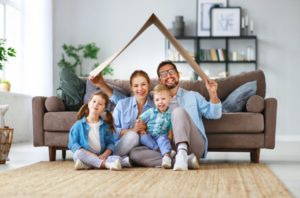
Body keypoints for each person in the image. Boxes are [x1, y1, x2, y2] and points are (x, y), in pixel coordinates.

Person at [129, 60, 222, 170]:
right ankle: (181, 161)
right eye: (163, 74)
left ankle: (182, 153)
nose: (168, 75)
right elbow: (130, 100)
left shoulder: (193, 96)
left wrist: (212, 93)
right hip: (167, 147)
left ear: (178, 75)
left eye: (171, 72)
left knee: (178, 112)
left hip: (193, 144)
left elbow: (215, 114)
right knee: (135, 153)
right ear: (159, 80)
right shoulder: (154, 100)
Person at [88, 70, 155, 163]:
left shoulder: (155, 107)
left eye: (143, 84)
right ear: (131, 87)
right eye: (136, 86)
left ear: (149, 85)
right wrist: (133, 130)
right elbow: (113, 130)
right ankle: (111, 158)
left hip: (141, 149)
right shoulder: (122, 104)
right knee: (133, 136)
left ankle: (120, 160)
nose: (140, 89)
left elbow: (158, 132)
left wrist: (146, 129)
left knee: (139, 152)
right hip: (122, 145)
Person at [68, 91, 125, 170]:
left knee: (116, 157)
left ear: (104, 109)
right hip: (85, 154)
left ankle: (89, 165)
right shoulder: (78, 125)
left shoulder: (106, 126)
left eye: (100, 104)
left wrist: (105, 155)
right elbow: (73, 144)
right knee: (77, 154)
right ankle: (107, 165)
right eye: (94, 101)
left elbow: (110, 144)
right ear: (89, 103)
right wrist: (92, 155)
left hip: (101, 155)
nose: (96, 104)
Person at [138, 84, 173, 169]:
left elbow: (171, 129)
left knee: (163, 140)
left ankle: (166, 157)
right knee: (143, 138)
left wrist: (170, 137)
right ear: (154, 101)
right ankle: (164, 152)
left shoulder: (171, 115)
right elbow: (140, 118)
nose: (160, 102)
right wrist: (142, 129)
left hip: (161, 135)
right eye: (157, 100)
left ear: (170, 99)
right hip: (149, 134)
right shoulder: (151, 111)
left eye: (163, 99)